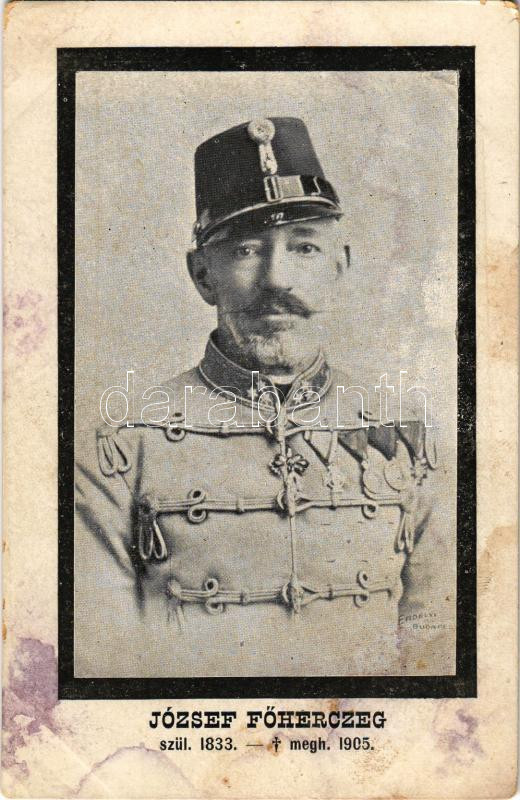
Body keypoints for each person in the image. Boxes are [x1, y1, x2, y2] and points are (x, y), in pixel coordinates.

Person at [75, 117, 453, 678]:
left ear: (339, 266)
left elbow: (437, 644)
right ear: (203, 275)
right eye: (246, 250)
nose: (277, 280)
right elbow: (102, 657)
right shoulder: (123, 443)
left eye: (304, 248)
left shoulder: (409, 433)